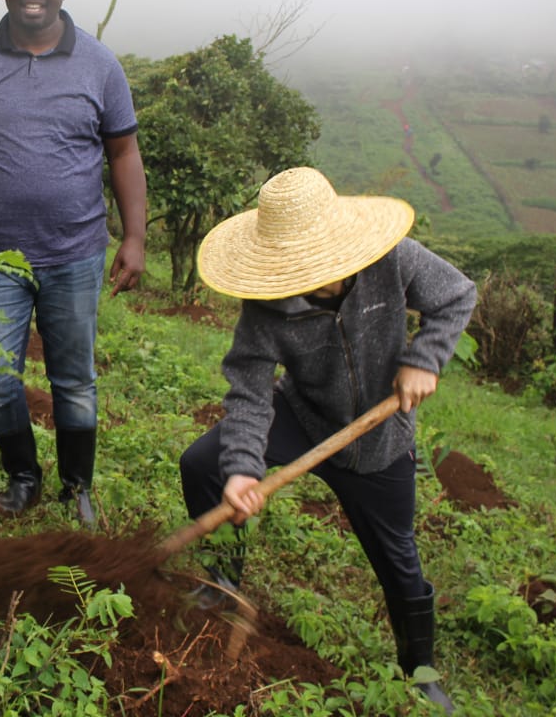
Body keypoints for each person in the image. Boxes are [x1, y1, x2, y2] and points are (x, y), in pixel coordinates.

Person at [178, 166, 474, 714]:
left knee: (400, 565)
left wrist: (424, 358)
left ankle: (422, 672)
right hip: (305, 416)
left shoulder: (392, 258)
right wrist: (243, 467)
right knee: (203, 463)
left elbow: (456, 296)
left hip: (380, 439)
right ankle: (222, 581)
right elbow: (249, 390)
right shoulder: (266, 305)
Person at [0, 0, 147, 527]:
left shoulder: (99, 65)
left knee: (74, 381)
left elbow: (124, 154)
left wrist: (134, 237)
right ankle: (22, 476)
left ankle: (77, 487)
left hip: (75, 253)